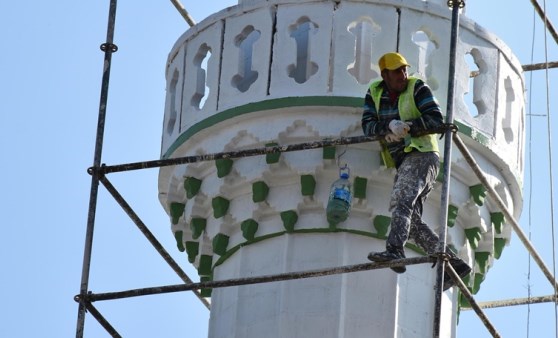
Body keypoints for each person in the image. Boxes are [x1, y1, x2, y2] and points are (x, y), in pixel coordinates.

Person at [361, 52, 471, 291]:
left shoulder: (417, 87)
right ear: (385, 75)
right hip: (402, 160)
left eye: (403, 69)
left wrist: (409, 128)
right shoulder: (375, 92)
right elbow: (367, 125)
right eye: (396, 71)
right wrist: (387, 127)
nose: (402, 75)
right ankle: (454, 265)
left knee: (401, 202)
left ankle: (394, 251)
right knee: (410, 222)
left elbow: (436, 119)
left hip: (422, 155)